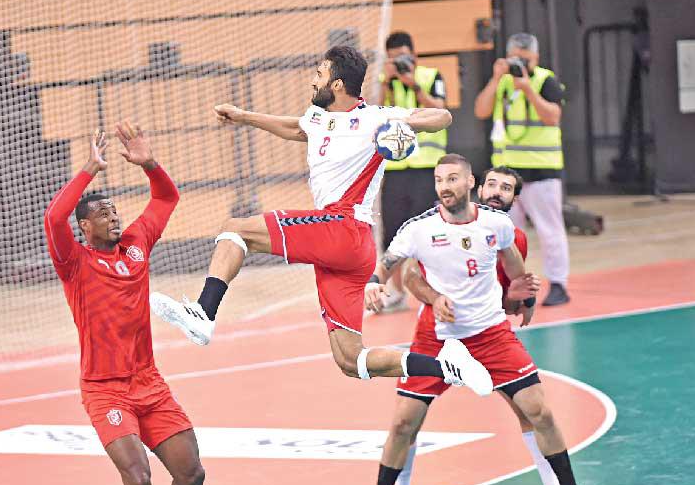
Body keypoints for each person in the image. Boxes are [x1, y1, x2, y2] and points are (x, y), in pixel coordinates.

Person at [149, 45, 491, 395]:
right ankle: (447, 366)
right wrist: (243, 116)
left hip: (343, 225)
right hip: (348, 249)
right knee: (351, 360)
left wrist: (402, 123)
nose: (313, 81)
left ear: (337, 84)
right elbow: (296, 128)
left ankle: (204, 313)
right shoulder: (316, 117)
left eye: (319, 74)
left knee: (236, 229)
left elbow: (441, 117)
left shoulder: (374, 118)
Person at [348, 155, 612, 485]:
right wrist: (375, 282)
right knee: (404, 422)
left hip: (491, 335)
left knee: (539, 411)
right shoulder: (419, 229)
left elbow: (515, 266)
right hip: (437, 339)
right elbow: (389, 265)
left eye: (452, 179)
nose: (444, 186)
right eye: (439, 180)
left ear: (470, 182)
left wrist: (526, 296)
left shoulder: (497, 225)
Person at [44, 124, 203, 485]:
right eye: (104, 213)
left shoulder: (136, 245)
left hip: (149, 384)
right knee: (138, 480)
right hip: (105, 390)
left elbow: (166, 198)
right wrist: (89, 170)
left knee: (192, 474)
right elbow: (53, 219)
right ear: (85, 226)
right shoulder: (74, 262)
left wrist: (150, 164)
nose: (115, 217)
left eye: (116, 211)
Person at [474, 32, 571, 306]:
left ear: (536, 58)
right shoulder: (502, 82)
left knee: (549, 230)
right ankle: (507, 286)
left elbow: (553, 117)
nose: (520, 64)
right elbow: (481, 110)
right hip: (507, 174)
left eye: (525, 59)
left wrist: (528, 89)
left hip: (542, 171)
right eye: (515, 58)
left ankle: (558, 284)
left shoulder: (545, 80)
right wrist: (495, 78)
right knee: (506, 234)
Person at [376, 31, 449, 309]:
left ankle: (434, 289)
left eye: (404, 57)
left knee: (428, 234)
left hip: (426, 168)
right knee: (392, 234)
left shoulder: (430, 77)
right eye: (394, 58)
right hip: (395, 168)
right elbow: (375, 114)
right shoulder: (386, 82)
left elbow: (440, 111)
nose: (400, 63)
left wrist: (414, 86)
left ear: (414, 55)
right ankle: (396, 292)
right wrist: (387, 82)